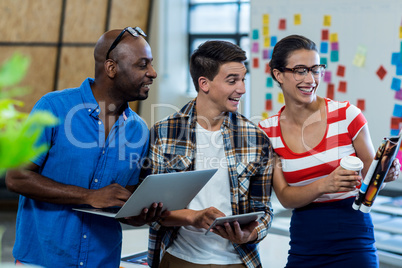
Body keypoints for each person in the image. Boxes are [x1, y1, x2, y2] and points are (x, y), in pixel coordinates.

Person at [5, 27, 166, 267]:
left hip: (103, 261)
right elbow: (16, 178)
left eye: (151, 64)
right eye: (142, 65)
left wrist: (138, 214)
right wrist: (89, 196)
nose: (152, 73)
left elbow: (121, 200)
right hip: (42, 260)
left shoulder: (139, 130)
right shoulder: (53, 108)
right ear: (111, 68)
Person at [259, 34, 400, 268]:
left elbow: (371, 178)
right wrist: (325, 184)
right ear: (278, 74)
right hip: (305, 242)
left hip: (354, 236)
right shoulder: (267, 131)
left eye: (316, 69)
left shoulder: (347, 115)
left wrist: (385, 172)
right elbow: (284, 197)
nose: (311, 79)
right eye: (300, 70)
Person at [145, 40, 274, 268]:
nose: (242, 89)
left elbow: (264, 210)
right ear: (204, 83)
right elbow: (151, 210)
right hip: (179, 258)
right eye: (232, 81)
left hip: (238, 261)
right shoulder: (164, 133)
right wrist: (192, 217)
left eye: (243, 79)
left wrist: (249, 235)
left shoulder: (257, 138)